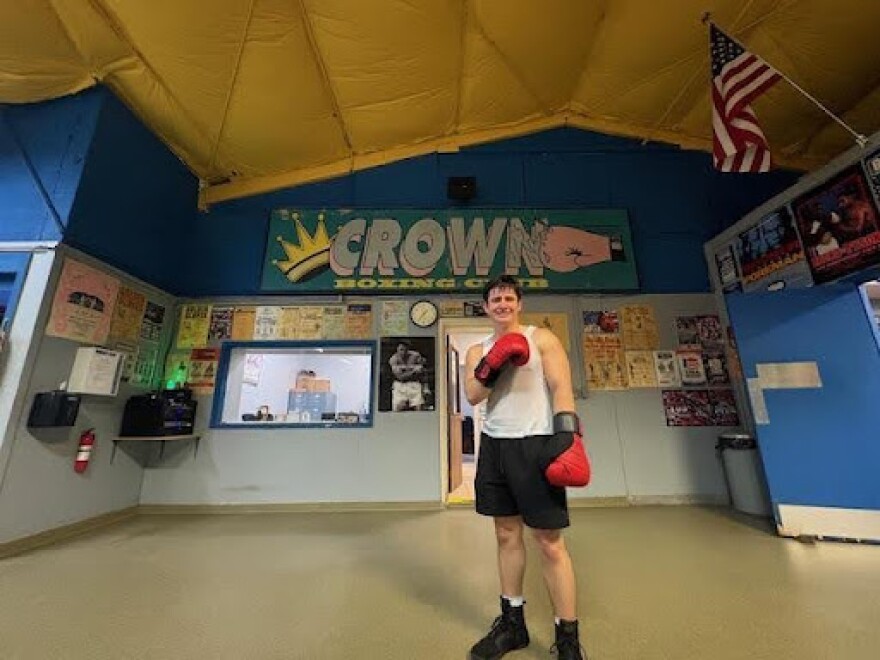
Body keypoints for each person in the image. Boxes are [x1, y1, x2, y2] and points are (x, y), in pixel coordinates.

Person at [464, 274, 591, 660]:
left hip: (536, 444)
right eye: (494, 299)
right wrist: (495, 361)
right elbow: (472, 394)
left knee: (550, 542)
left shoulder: (543, 339)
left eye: (508, 297)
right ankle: (513, 625)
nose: (501, 304)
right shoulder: (477, 350)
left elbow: (561, 388)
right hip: (495, 446)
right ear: (485, 308)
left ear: (519, 304)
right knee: (506, 535)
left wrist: (568, 436)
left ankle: (567, 639)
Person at [388, 341, 426, 411]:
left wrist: (417, 369)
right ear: (397, 349)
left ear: (408, 349)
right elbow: (400, 377)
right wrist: (414, 370)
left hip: (414, 384)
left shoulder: (415, 355)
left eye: (405, 350)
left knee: (419, 408)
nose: (403, 352)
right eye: (401, 350)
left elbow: (422, 369)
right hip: (400, 385)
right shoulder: (393, 359)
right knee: (398, 408)